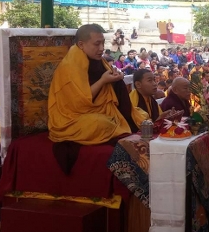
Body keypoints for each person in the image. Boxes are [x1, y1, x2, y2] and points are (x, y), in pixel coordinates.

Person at [48, 24, 144, 174]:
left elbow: (108, 86)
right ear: (81, 44)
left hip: (100, 111)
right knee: (101, 124)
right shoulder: (69, 66)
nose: (101, 48)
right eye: (96, 44)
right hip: (73, 118)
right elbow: (79, 102)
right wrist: (103, 81)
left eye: (103, 43)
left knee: (140, 115)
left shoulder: (98, 60)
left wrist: (116, 78)